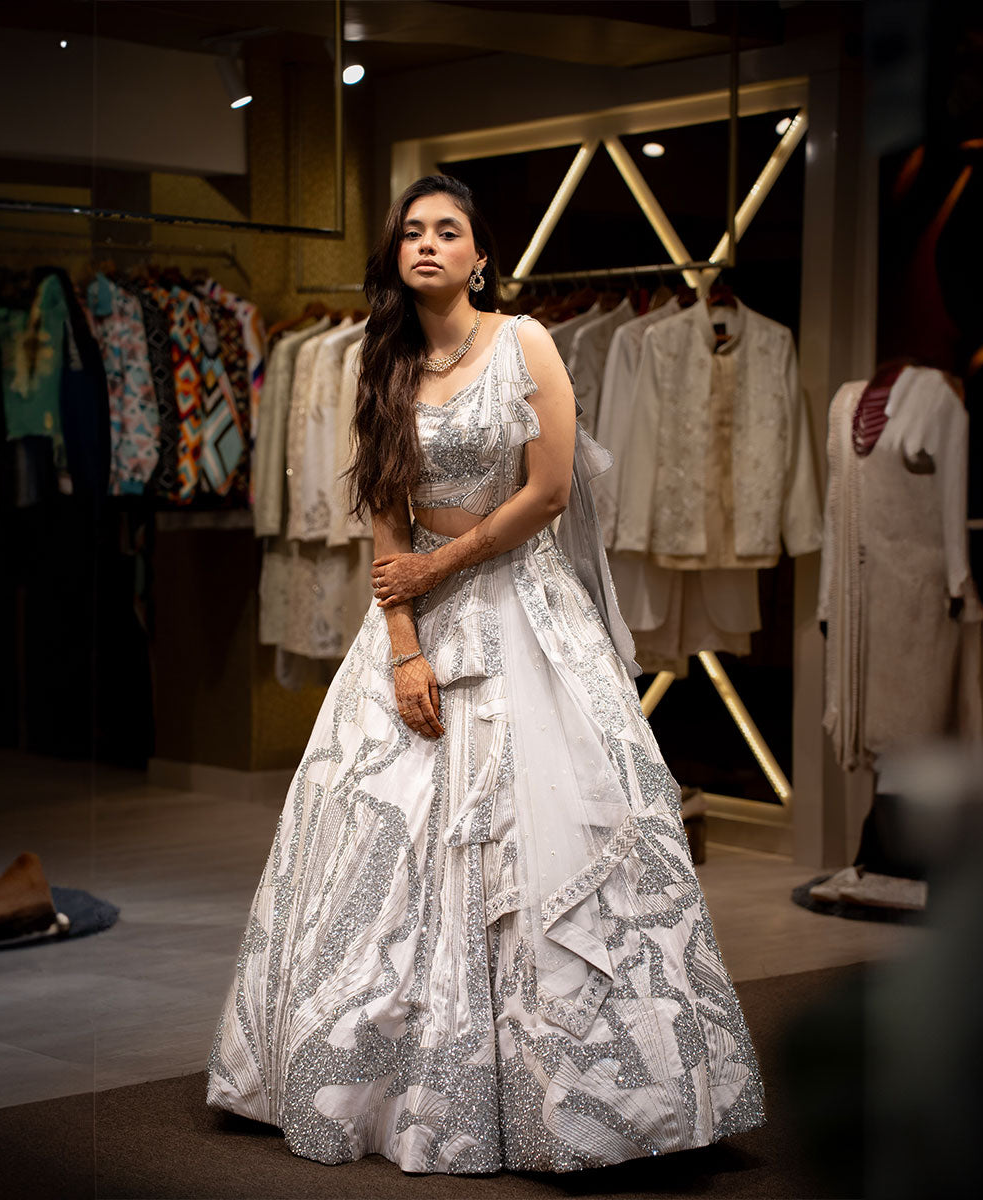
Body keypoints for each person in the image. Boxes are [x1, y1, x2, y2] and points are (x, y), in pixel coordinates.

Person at [206, 175, 764, 1174]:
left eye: (447, 231)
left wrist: (436, 567)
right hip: (421, 616)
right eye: (412, 231)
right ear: (398, 254)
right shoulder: (383, 361)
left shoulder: (526, 344)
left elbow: (549, 493)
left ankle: (598, 1099)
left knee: (555, 834)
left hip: (521, 609)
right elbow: (385, 507)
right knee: (377, 839)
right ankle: (367, 1076)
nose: (427, 244)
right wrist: (404, 637)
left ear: (478, 254)